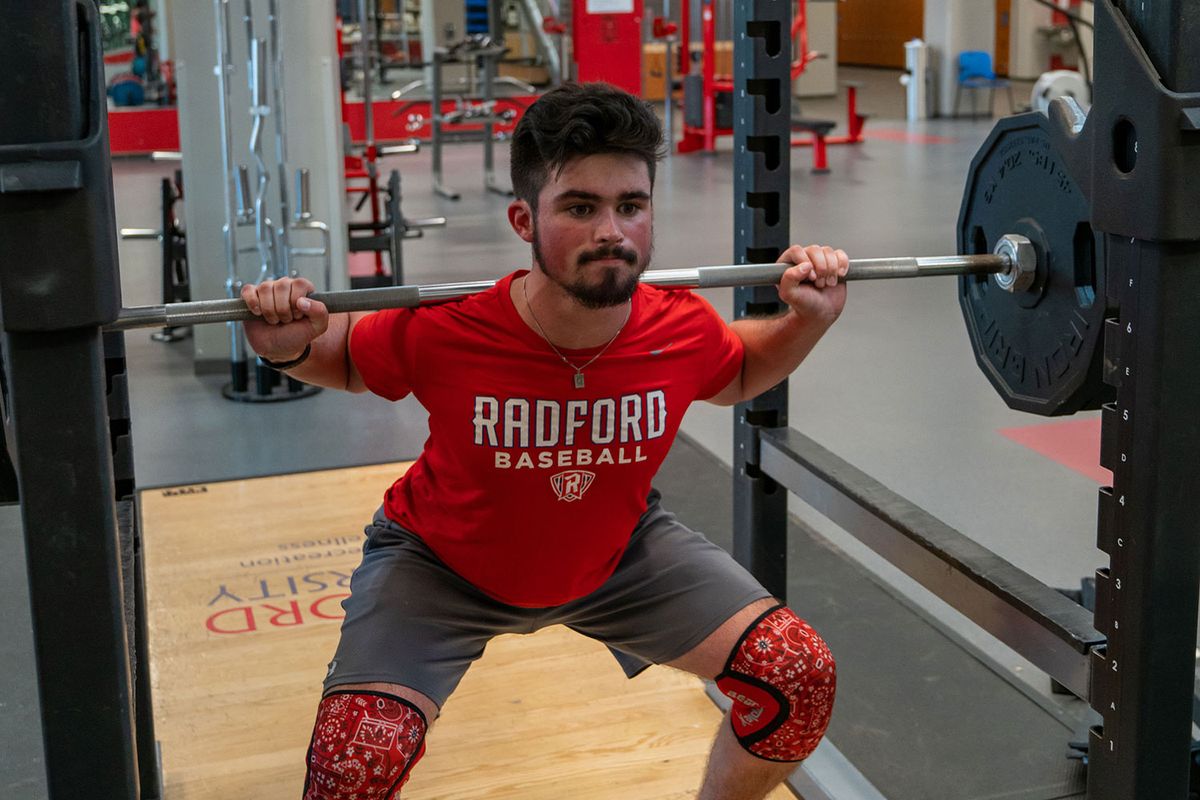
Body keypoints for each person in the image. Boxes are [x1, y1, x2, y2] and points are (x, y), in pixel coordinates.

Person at [241, 81, 848, 800]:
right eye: (580, 208)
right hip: (439, 567)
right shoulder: (450, 327)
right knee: (351, 772)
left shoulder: (678, 327)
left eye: (631, 206)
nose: (612, 232)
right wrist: (283, 344)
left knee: (797, 676)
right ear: (524, 219)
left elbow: (740, 368)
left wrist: (807, 319)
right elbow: (341, 356)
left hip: (617, 555)